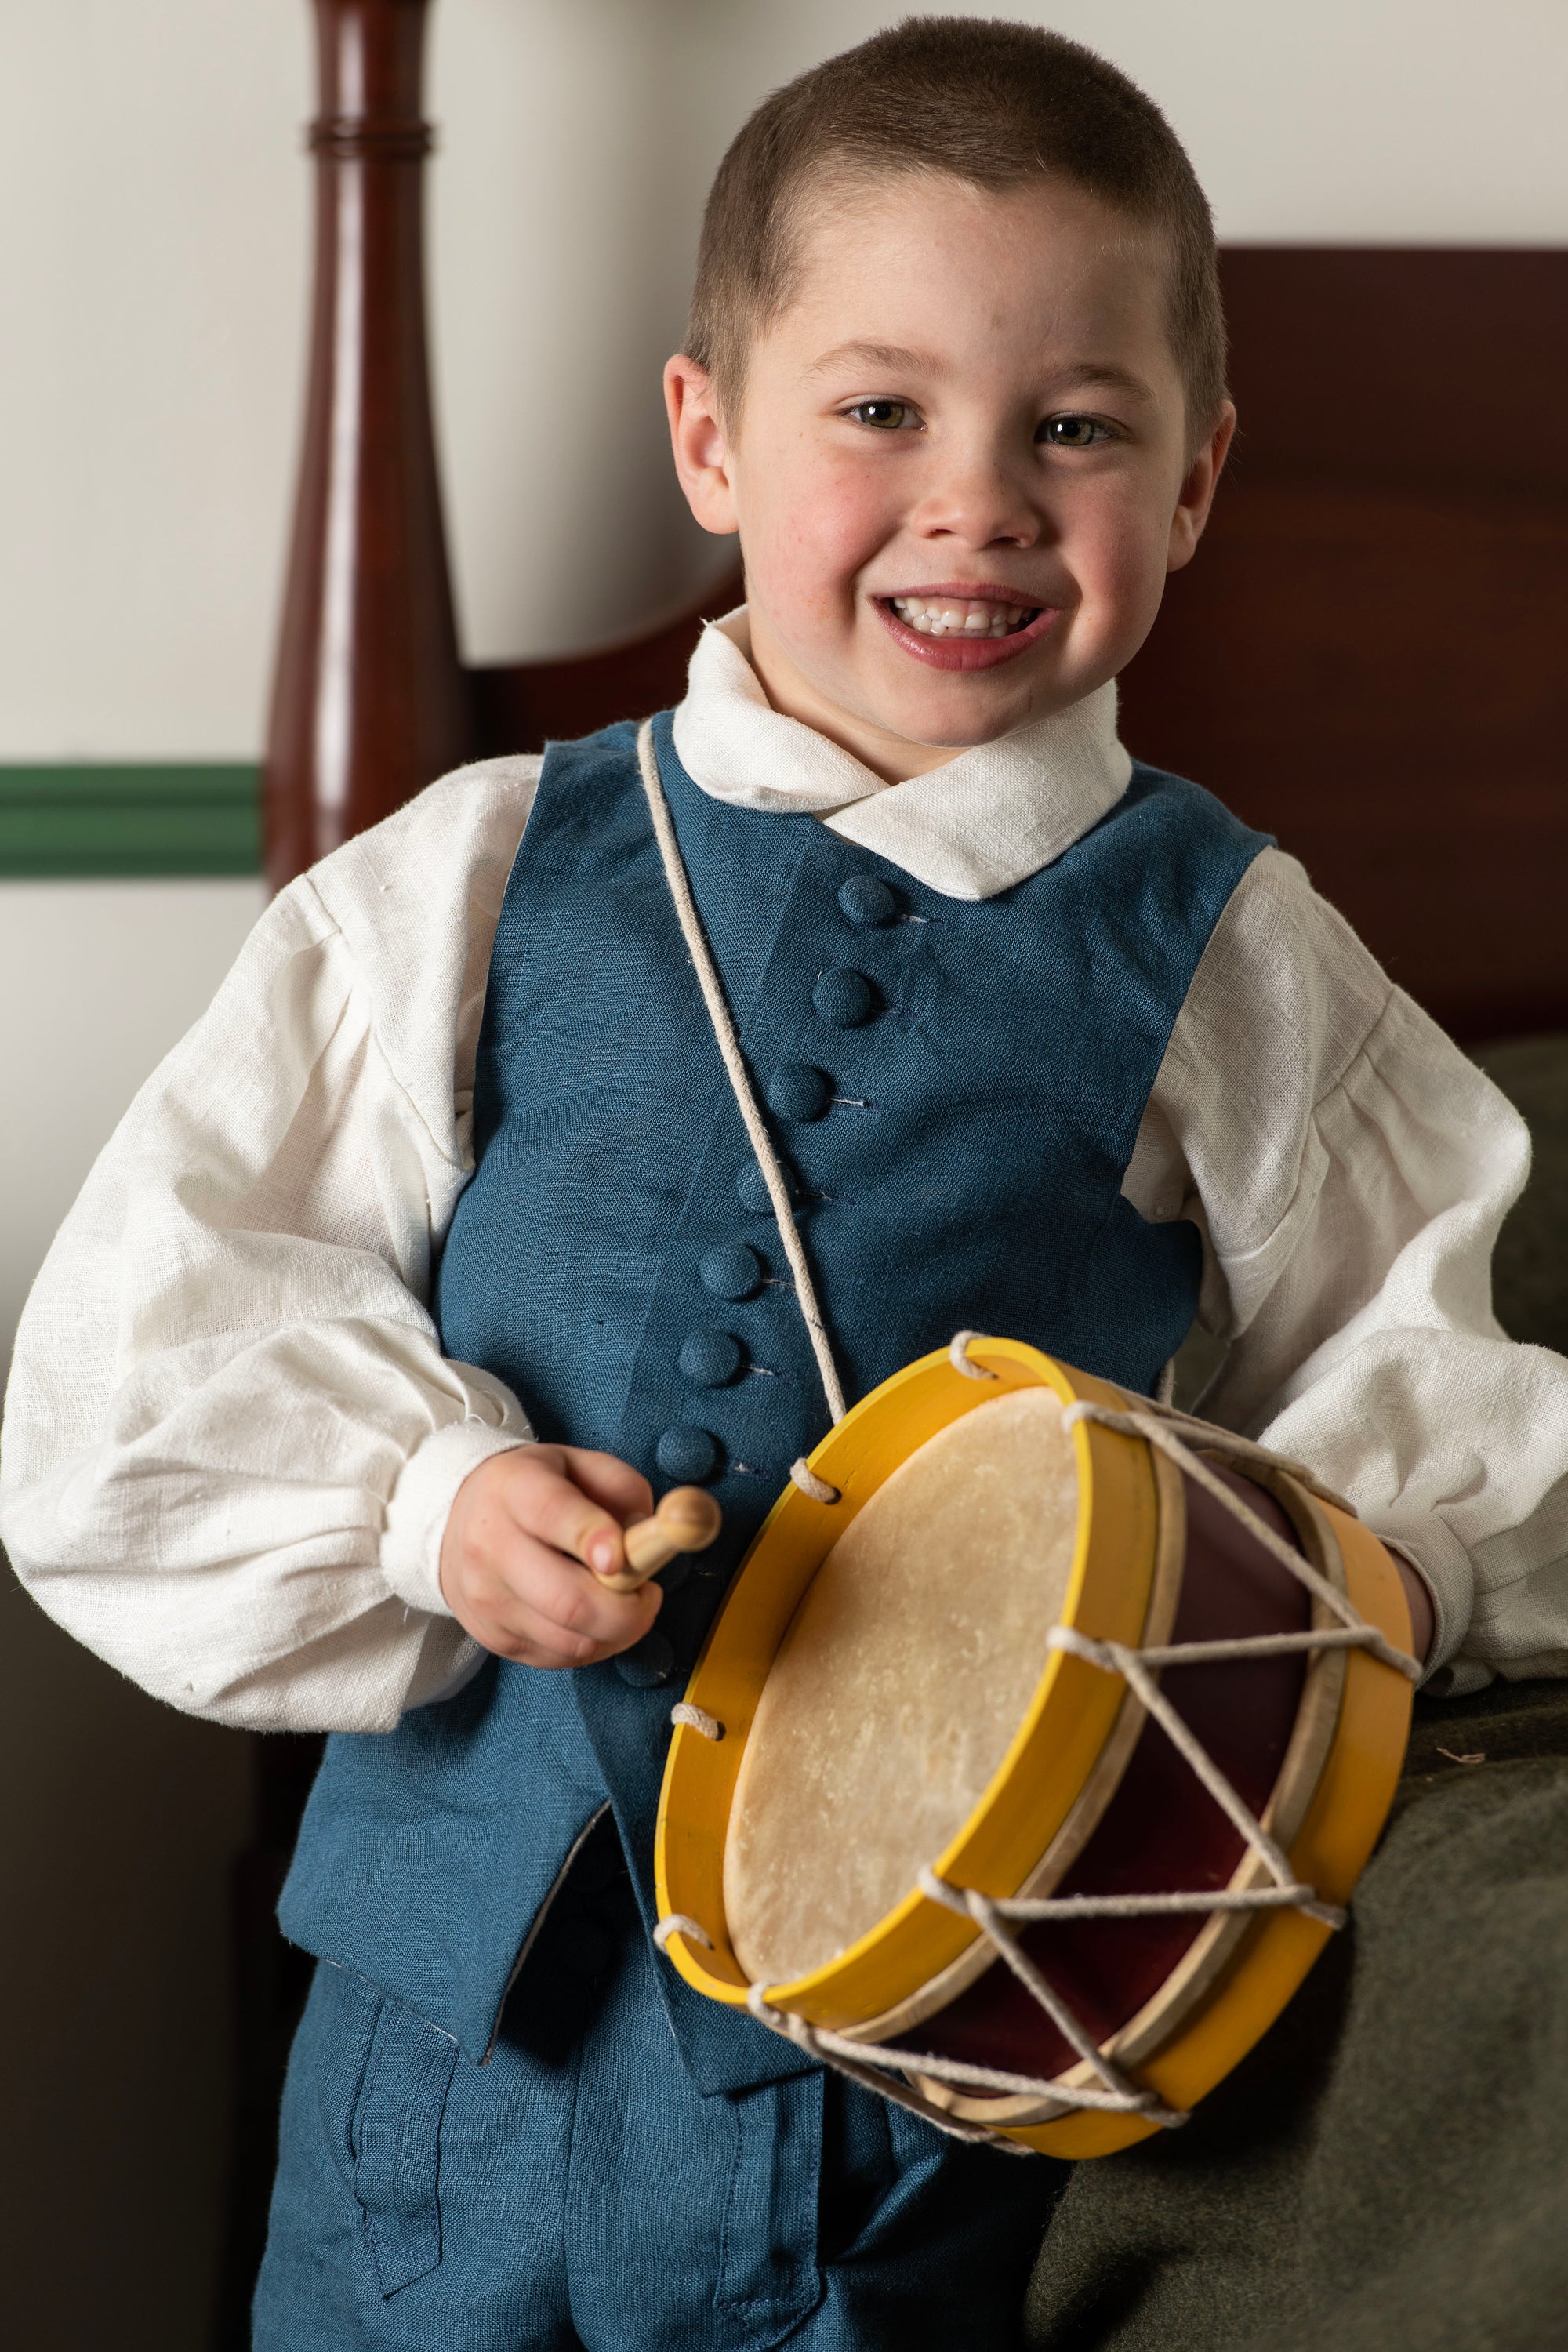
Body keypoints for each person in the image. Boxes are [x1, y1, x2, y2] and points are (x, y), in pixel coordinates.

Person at [3, 18, 1566, 2349]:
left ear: (1202, 479)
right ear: (709, 440)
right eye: (880, 411)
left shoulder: (1234, 954)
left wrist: (1307, 1606)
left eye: (1077, 426)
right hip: (448, 2068)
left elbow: (1421, 1385)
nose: (981, 502)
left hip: (928, 2092)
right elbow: (144, 1346)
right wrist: (431, 1509)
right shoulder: (481, 870)